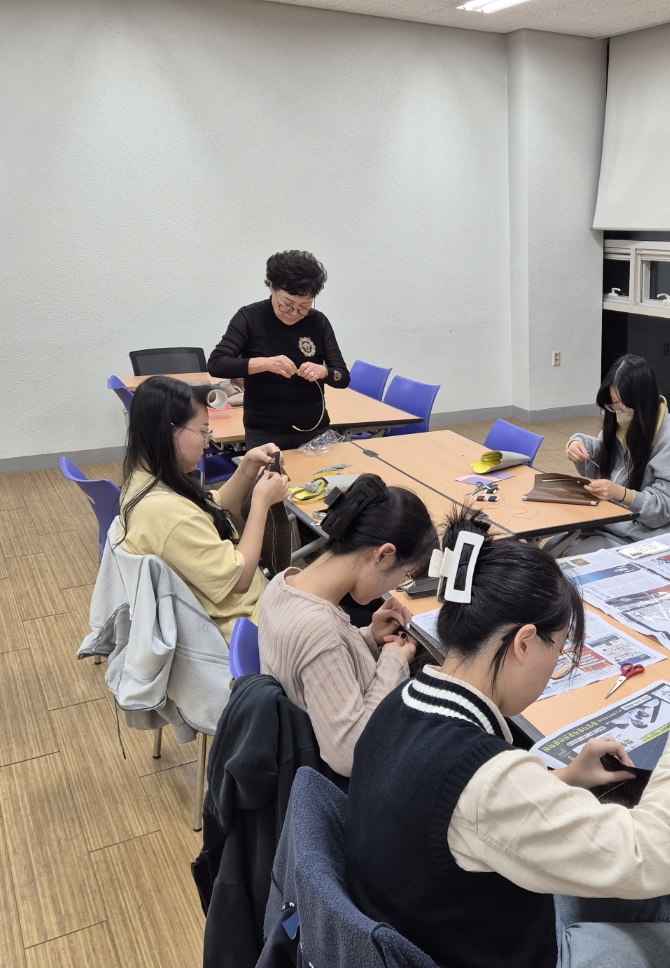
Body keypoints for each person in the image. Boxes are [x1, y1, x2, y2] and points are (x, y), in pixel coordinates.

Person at [344, 511, 670, 968]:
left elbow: (459, 814)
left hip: (441, 942)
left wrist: (564, 778)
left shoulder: (404, 699)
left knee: (650, 904)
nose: (555, 666)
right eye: (559, 650)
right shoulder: (488, 780)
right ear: (523, 642)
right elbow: (658, 851)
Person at [258, 474, 438, 777]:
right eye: (405, 575)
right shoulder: (319, 630)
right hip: (333, 779)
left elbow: (320, 665)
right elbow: (349, 756)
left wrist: (369, 637)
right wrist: (393, 663)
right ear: (383, 554)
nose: (397, 586)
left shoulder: (285, 581)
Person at [116, 376, 288, 641]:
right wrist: (261, 503)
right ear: (169, 430)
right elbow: (240, 579)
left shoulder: (144, 480)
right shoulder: (166, 513)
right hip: (243, 622)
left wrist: (248, 465)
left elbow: (214, 506)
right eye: (203, 432)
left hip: (244, 604)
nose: (207, 443)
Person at [208, 250, 351, 450]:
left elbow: (342, 377)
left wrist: (324, 371)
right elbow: (217, 364)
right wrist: (265, 364)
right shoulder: (249, 317)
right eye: (287, 305)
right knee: (271, 471)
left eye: (304, 307)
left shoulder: (318, 322)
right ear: (271, 287)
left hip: (315, 429)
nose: (294, 313)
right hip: (265, 432)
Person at [566, 354, 670, 547]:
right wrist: (578, 444)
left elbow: (666, 507)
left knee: (568, 554)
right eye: (614, 403)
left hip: (646, 534)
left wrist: (622, 494)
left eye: (623, 405)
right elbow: (606, 456)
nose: (618, 411)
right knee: (555, 547)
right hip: (609, 520)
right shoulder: (621, 421)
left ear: (642, 402)